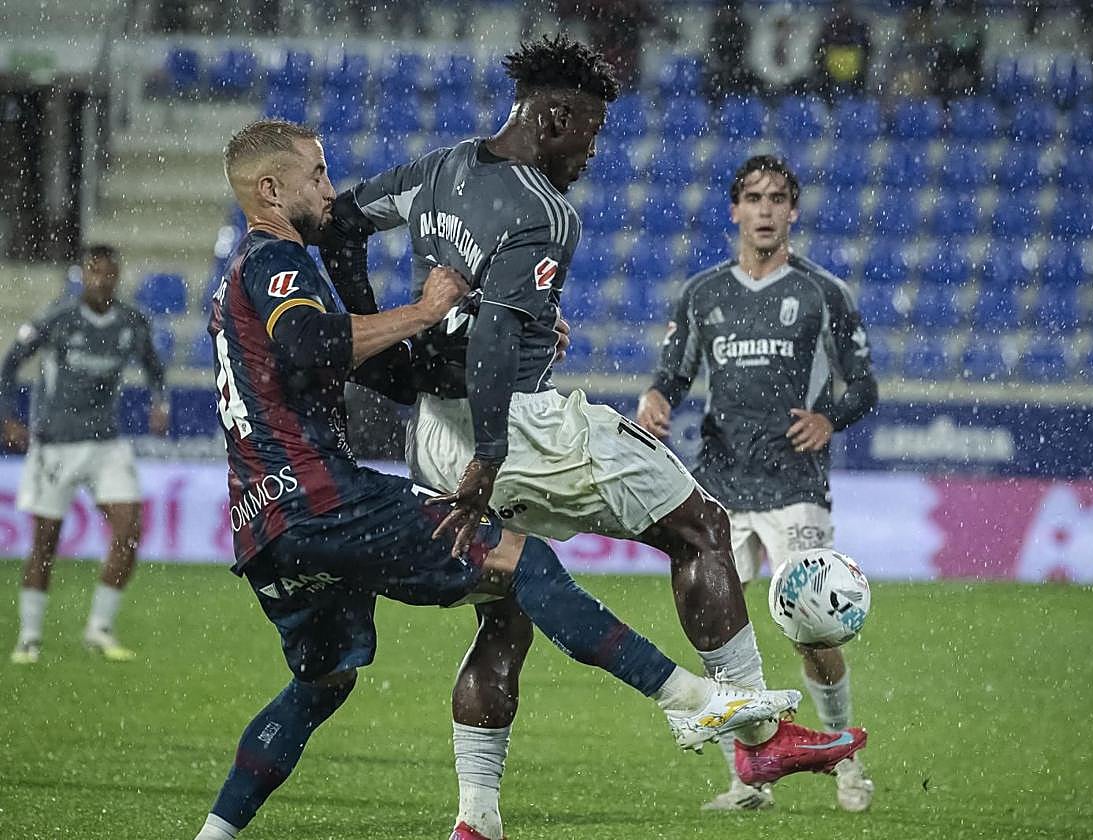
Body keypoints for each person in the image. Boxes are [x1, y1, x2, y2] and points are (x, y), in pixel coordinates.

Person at [321, 35, 868, 840]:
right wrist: (492, 452)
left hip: (432, 434)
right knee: (700, 528)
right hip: (509, 429)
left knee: (504, 613)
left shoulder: (438, 170)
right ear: (552, 118)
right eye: (589, 130)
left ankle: (476, 819)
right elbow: (496, 337)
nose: (592, 149)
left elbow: (338, 225)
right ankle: (759, 739)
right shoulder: (544, 212)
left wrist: (395, 347)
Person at [191, 119, 801, 840]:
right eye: (316, 174)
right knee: (523, 562)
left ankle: (215, 834)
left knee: (323, 682)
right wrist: (424, 309)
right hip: (321, 497)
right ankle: (689, 700)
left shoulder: (239, 276)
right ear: (270, 189)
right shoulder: (274, 259)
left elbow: (381, 369)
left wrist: (509, 335)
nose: (329, 189)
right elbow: (310, 343)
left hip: (263, 526)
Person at [636, 155, 880, 813]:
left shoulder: (824, 293)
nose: (765, 210)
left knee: (813, 632)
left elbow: (863, 383)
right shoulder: (704, 293)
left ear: (792, 211)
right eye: (754, 198)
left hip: (794, 483)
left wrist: (830, 417)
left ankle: (845, 757)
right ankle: (746, 782)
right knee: (716, 628)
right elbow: (674, 372)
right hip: (719, 486)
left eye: (777, 199)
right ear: (735, 210)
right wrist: (657, 397)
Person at [1, 244, 168, 664]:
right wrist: (8, 418)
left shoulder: (131, 322)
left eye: (109, 273)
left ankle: (99, 629)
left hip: (106, 443)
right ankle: (29, 637)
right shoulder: (57, 319)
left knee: (129, 531)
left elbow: (154, 366)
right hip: (55, 444)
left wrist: (160, 402)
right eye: (94, 272)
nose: (101, 281)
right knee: (45, 543)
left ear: (118, 276)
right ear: (83, 275)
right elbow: (10, 364)